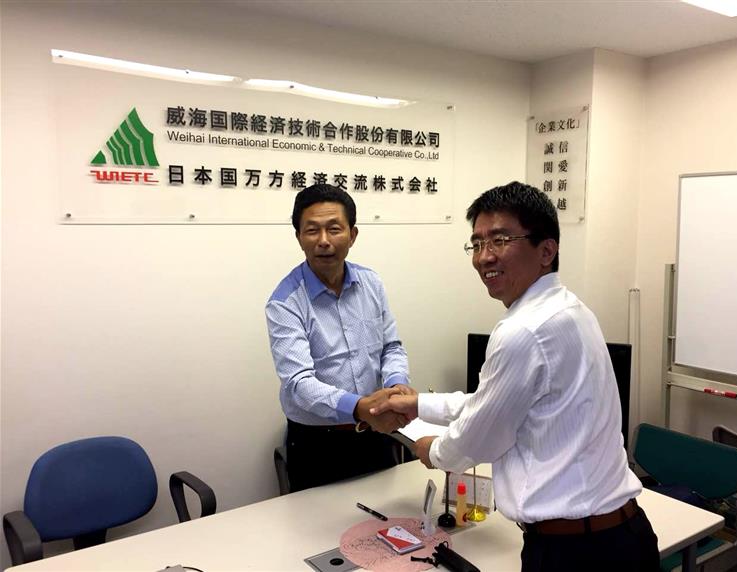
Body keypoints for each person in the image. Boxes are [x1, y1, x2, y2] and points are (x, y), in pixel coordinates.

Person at [371, 182, 659, 571]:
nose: (483, 257)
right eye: (476, 243)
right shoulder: (569, 309)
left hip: (576, 552)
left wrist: (430, 449)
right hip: (621, 535)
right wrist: (418, 403)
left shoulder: (523, 331)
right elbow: (492, 404)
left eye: (500, 240)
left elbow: (477, 437)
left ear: (546, 251)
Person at [265, 183, 412, 492]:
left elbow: (391, 347)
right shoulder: (284, 302)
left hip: (375, 431)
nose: (323, 241)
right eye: (312, 230)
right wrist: (359, 406)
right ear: (299, 237)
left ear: (352, 235)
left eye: (334, 229)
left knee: (386, 511)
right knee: (320, 521)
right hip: (318, 443)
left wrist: (397, 385)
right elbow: (298, 383)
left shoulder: (371, 283)